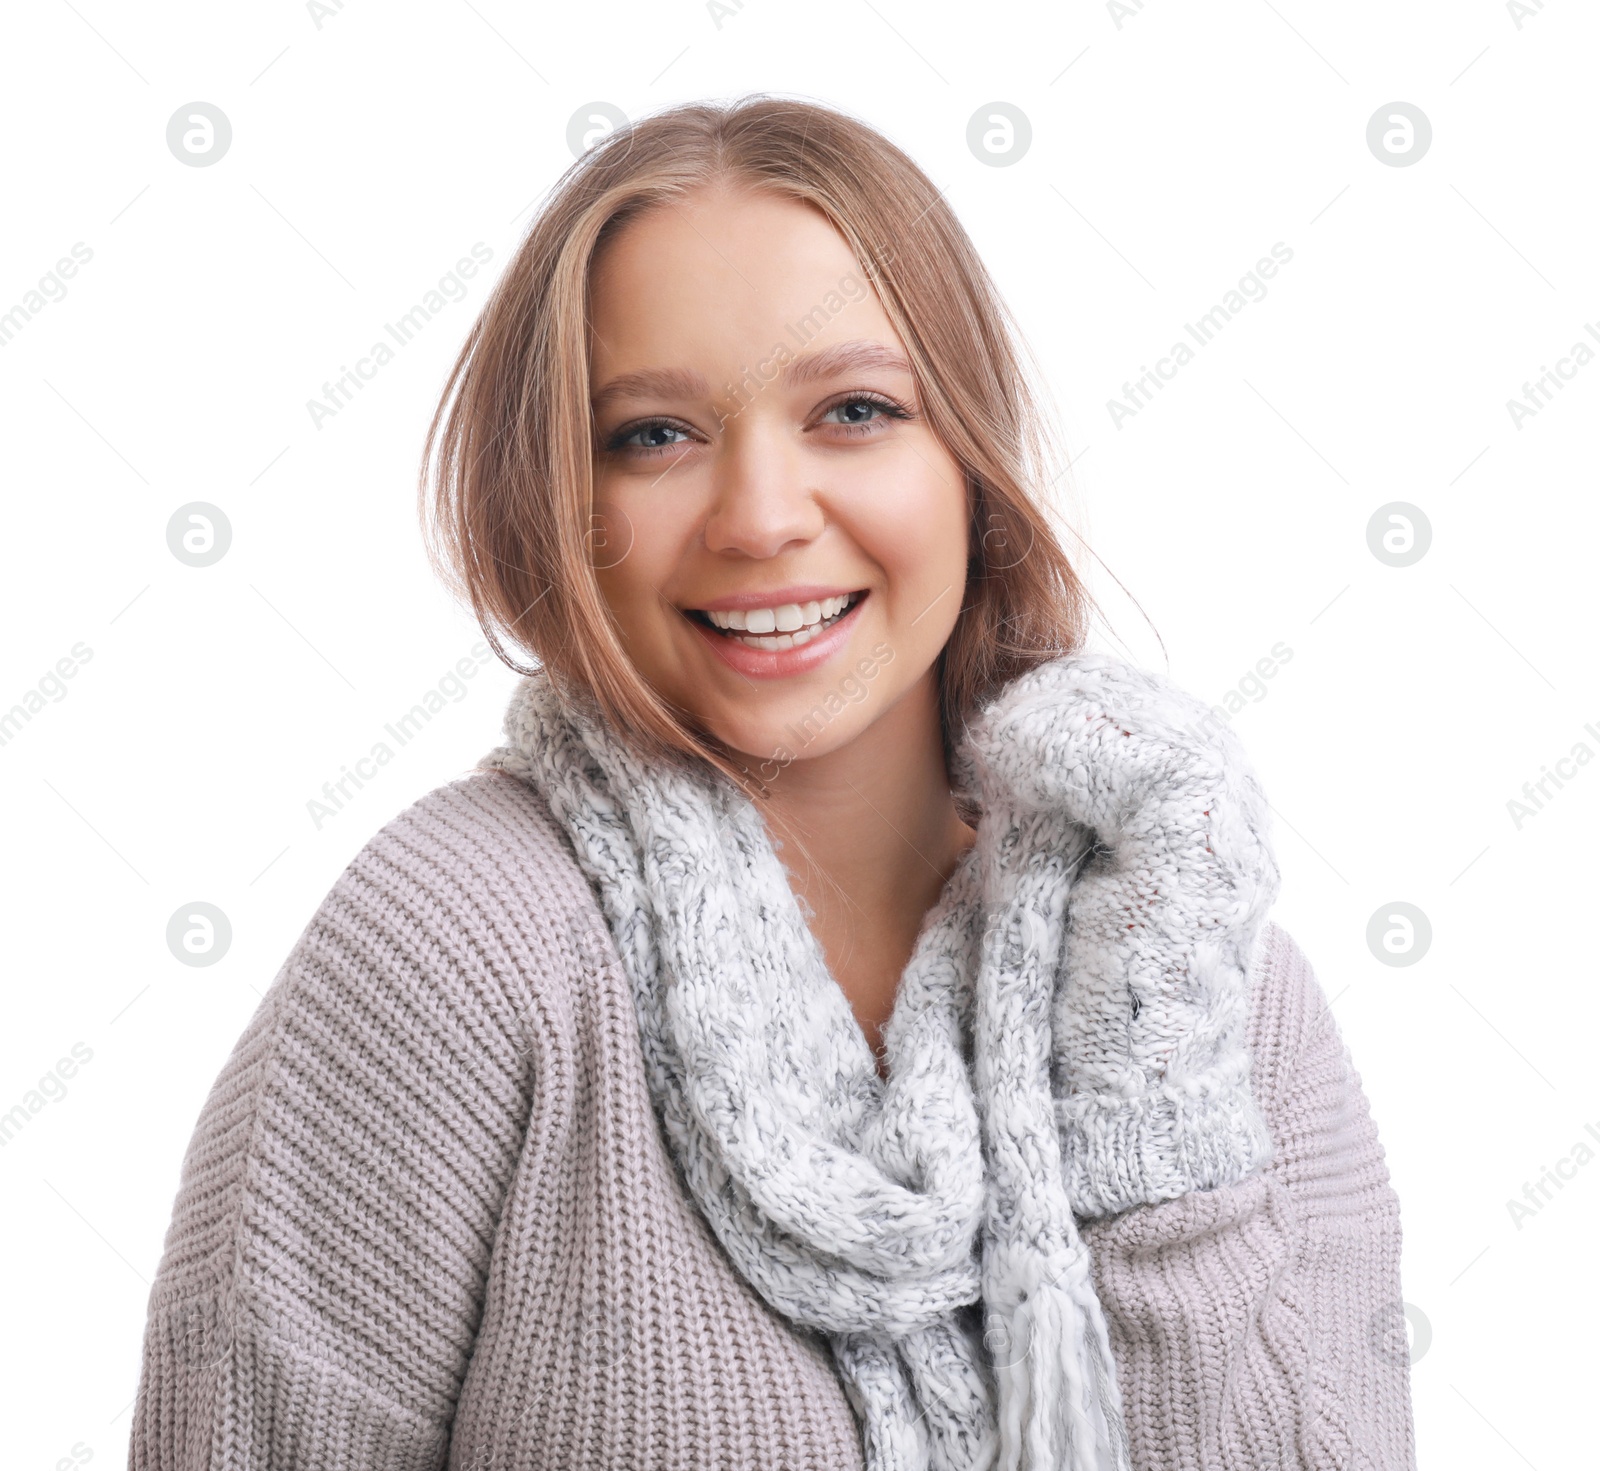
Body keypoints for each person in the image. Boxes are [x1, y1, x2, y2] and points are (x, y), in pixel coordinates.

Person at [126, 96, 1417, 1471]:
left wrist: (1150, 1136)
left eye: (854, 412)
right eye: (653, 435)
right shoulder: (455, 948)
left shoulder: (1211, 978)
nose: (759, 515)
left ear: (969, 469)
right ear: (557, 503)